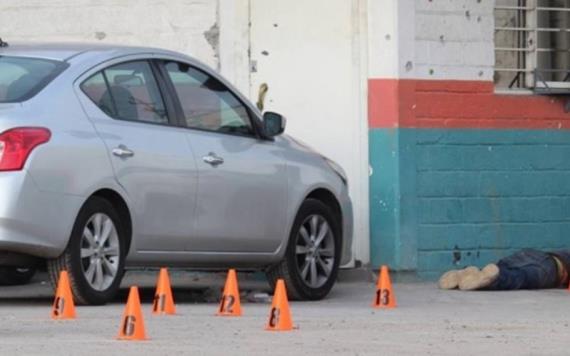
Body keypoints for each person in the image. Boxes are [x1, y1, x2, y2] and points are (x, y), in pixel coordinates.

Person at [439, 249, 570, 291]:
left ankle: (465, 273)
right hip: (552, 267)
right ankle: (493, 280)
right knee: (518, 278)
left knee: (501, 266)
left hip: (532, 254)